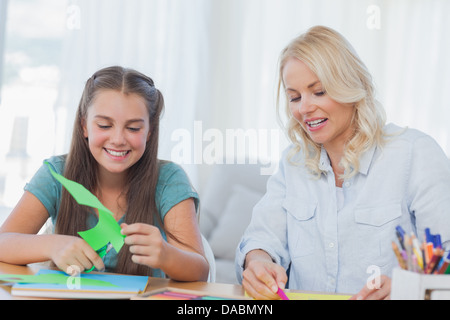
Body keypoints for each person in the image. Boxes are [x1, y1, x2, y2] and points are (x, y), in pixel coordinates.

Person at [235, 26, 450, 300]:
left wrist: (409, 287)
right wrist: (257, 261)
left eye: (319, 92)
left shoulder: (415, 153)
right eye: (295, 97)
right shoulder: (293, 163)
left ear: (350, 86)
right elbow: (262, 239)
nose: (304, 108)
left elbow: (446, 256)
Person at [0, 66, 209, 281]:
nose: (118, 139)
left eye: (134, 128)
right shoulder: (56, 174)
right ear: (84, 126)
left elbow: (200, 271)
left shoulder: (168, 180)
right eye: (104, 125)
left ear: (150, 131)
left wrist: (166, 255)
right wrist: (52, 244)